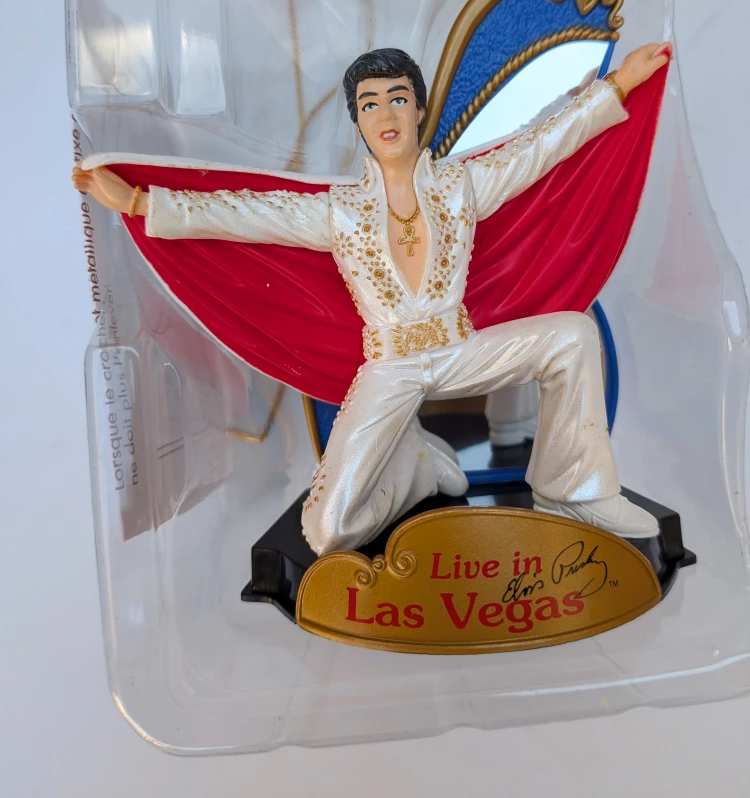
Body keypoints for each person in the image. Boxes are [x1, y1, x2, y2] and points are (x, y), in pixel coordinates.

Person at [73, 43, 670, 555]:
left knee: (572, 334)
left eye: (398, 98)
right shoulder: (339, 211)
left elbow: (541, 147)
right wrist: (140, 203)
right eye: (369, 104)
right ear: (357, 121)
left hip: (462, 349)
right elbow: (242, 213)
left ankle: (573, 490)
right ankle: (417, 467)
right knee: (327, 532)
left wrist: (618, 84)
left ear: (420, 109)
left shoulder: (463, 184)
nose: (385, 114)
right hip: (390, 369)